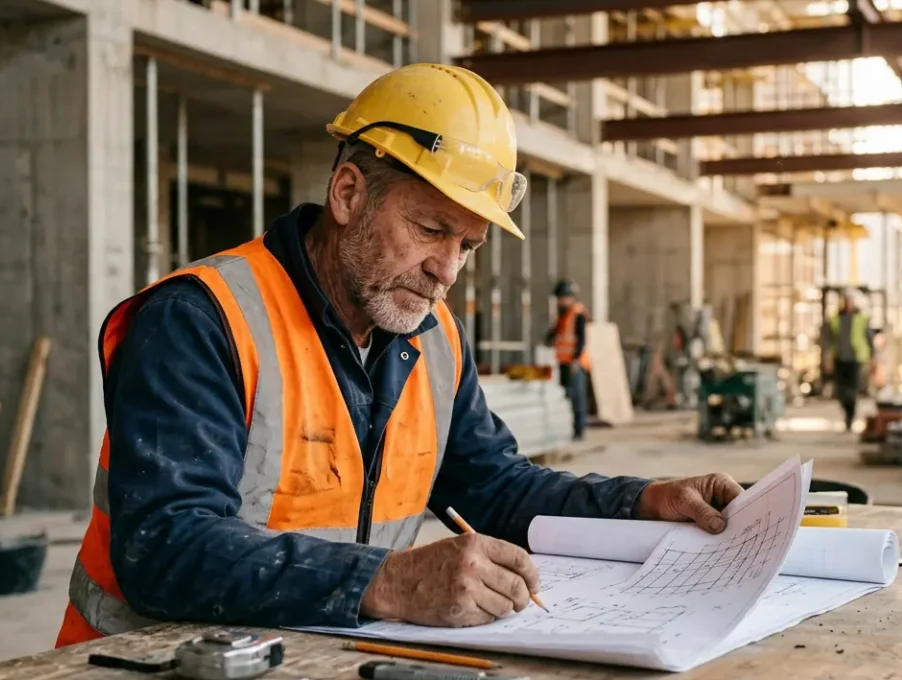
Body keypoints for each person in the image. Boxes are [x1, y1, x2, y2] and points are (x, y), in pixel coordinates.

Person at [55, 64, 744, 646]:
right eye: (430, 229)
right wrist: (387, 581)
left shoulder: (433, 337)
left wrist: (640, 502)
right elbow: (164, 546)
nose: (447, 269)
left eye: (467, 246)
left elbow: (495, 489)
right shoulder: (201, 319)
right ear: (348, 194)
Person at [821, 288, 876, 431]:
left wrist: (872, 357)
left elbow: (869, 339)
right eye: (846, 301)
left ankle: (850, 417)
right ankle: (847, 411)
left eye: (850, 301)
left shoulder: (861, 319)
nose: (848, 304)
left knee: (852, 389)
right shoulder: (835, 319)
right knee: (841, 390)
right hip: (839, 357)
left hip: (855, 359)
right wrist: (827, 356)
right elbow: (828, 339)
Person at [546, 280, 589, 440]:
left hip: (575, 363)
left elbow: (581, 339)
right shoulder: (561, 315)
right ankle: (570, 428)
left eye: (562, 298)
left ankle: (579, 430)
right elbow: (554, 333)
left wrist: (576, 360)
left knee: (577, 396)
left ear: (570, 297)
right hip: (563, 361)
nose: (560, 301)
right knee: (567, 395)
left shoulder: (578, 314)